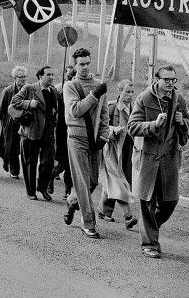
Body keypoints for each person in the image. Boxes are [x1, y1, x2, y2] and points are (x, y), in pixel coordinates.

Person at [127, 65, 189, 258]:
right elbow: (132, 126)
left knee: (170, 201)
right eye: (166, 80)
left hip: (169, 157)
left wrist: (183, 121)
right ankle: (149, 243)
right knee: (147, 201)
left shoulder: (179, 100)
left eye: (173, 81)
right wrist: (154, 125)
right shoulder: (144, 98)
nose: (170, 84)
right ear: (157, 80)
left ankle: (147, 227)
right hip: (147, 157)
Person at [62, 48, 110, 239]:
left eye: (88, 63)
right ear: (75, 65)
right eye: (81, 64)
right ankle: (88, 223)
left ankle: (73, 202)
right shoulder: (70, 86)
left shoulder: (99, 84)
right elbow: (75, 110)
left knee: (92, 182)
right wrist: (94, 95)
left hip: (96, 139)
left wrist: (105, 135)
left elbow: (104, 114)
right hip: (76, 137)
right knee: (81, 181)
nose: (85, 67)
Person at [11, 66, 58, 200]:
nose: (51, 77)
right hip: (31, 131)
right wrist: (28, 103)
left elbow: (55, 109)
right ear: (40, 76)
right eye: (48, 74)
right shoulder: (29, 88)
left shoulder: (53, 91)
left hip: (48, 133)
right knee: (30, 162)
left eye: (52, 74)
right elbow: (14, 101)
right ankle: (31, 191)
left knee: (47, 162)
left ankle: (42, 188)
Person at [98, 79, 138, 229]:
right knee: (118, 181)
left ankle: (103, 211)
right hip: (112, 149)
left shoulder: (134, 108)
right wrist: (113, 130)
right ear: (120, 91)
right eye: (127, 92)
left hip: (128, 150)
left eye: (132, 92)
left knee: (115, 180)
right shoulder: (112, 107)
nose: (130, 95)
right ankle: (128, 216)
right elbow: (102, 126)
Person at [0, 66, 27, 179]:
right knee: (10, 148)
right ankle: (14, 170)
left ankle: (13, 167)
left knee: (19, 148)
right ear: (15, 78)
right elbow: (0, 109)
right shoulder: (8, 91)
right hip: (10, 125)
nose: (23, 79)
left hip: (24, 124)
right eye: (20, 77)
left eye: (24, 77)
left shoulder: (29, 89)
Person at [49, 65, 76, 199]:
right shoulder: (58, 88)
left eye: (72, 75)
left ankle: (67, 189)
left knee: (71, 161)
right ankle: (50, 177)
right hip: (60, 128)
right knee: (60, 159)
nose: (70, 77)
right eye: (68, 75)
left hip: (72, 127)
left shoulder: (77, 89)